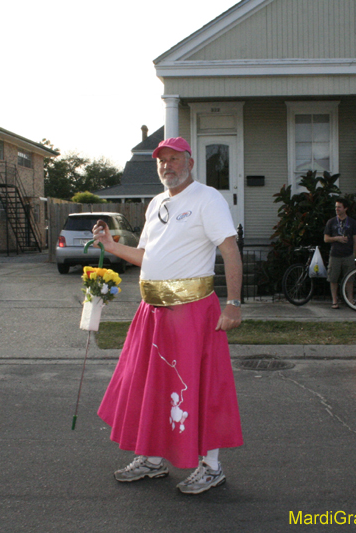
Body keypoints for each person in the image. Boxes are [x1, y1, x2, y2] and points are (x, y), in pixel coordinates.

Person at [92, 137, 244, 495]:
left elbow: (230, 249)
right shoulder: (156, 203)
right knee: (152, 387)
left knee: (198, 385)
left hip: (193, 314)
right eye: (162, 161)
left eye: (174, 159)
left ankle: (211, 466)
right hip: (153, 314)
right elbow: (146, 256)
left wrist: (234, 302)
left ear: (190, 163)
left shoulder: (208, 199)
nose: (167, 166)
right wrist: (112, 247)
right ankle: (153, 460)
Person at [323, 198, 356, 309]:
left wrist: (354, 254)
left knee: (350, 279)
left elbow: (355, 239)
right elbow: (326, 239)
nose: (337, 209)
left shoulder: (352, 222)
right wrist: (336, 238)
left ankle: (350, 299)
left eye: (339, 207)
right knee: (333, 278)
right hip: (335, 254)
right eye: (336, 207)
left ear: (345, 208)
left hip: (348, 255)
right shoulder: (331, 222)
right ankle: (334, 300)